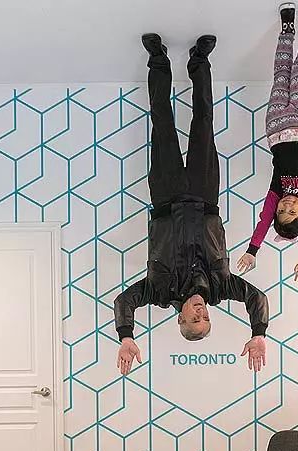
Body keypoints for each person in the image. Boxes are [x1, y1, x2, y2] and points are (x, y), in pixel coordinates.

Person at [114, 33, 269, 376]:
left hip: (165, 197)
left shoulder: (157, 291)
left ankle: (158, 59)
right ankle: (200, 60)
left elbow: (124, 301)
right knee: (204, 123)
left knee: (162, 124)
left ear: (180, 319)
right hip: (204, 196)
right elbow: (257, 298)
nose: (201, 312)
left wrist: (126, 336)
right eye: (206, 318)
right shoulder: (222, 287)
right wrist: (258, 333)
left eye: (195, 319)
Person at [237, 0, 298, 284]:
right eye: (292, 211)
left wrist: (252, 250)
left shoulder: (276, 192)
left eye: (281, 211)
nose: (286, 205)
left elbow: (264, 221)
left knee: (281, 74)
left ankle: (287, 29)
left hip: (275, 126)